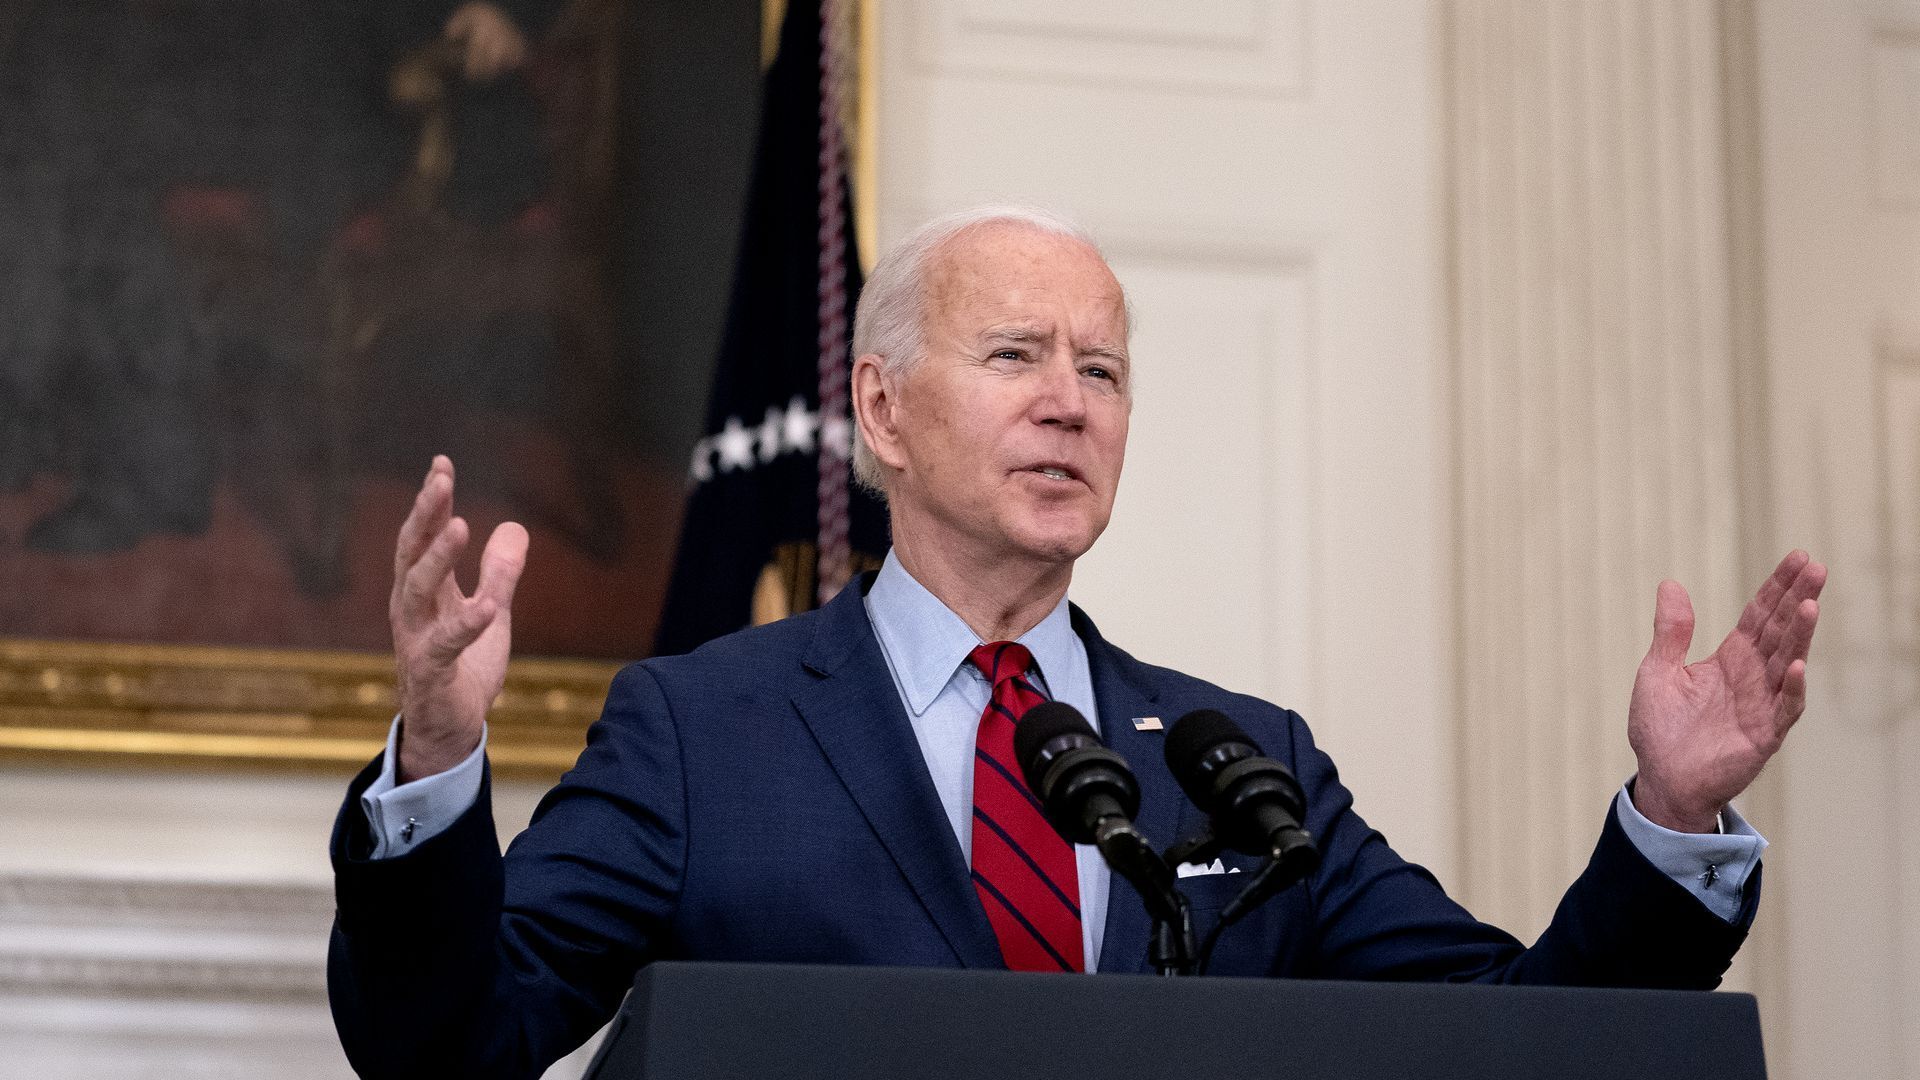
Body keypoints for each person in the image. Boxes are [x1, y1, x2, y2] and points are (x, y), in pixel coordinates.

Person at [328, 207, 1825, 1079]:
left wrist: (1672, 823)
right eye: (1015, 357)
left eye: (1102, 368)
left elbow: (1520, 1044)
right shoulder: (699, 731)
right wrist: (441, 759)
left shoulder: (1247, 767)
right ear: (883, 413)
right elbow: (447, 1043)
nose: (1071, 400)